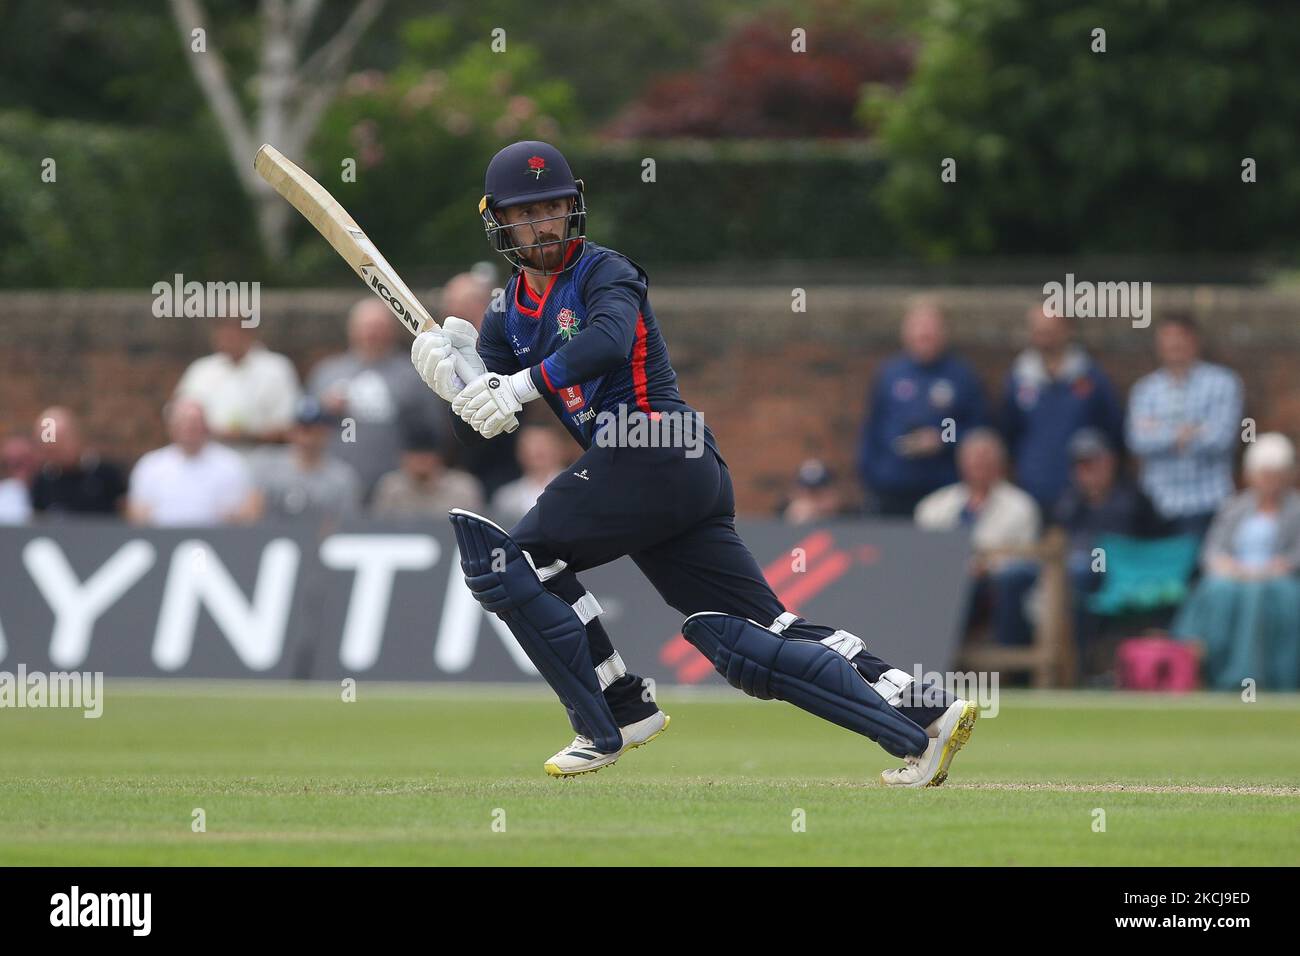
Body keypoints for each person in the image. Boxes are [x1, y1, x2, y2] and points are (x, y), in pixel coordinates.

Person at [408, 140, 977, 786]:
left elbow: (606, 341)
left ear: (574, 207)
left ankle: (618, 709)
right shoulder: (507, 312)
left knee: (512, 562)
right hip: (663, 479)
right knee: (760, 633)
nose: (543, 225)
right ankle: (926, 714)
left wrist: (512, 385)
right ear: (499, 223)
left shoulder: (604, 272)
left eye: (554, 208)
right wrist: (457, 384)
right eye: (526, 213)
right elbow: (489, 425)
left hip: (652, 449)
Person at [1172, 433, 1300, 690]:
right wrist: (1229, 567)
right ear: (1251, 475)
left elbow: (1296, 555)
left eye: (1275, 475)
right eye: (1264, 474)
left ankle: (1250, 676)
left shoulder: (1296, 510)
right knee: (1217, 590)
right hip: (1234, 575)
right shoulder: (1234, 507)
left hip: (1278, 579)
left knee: (1257, 595)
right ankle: (1206, 671)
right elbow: (1211, 552)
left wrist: (1271, 569)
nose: (1269, 482)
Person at [308, 298, 448, 500]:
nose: (371, 334)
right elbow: (303, 426)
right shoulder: (327, 373)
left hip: (397, 488)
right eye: (365, 327)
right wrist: (324, 409)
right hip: (337, 484)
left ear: (392, 331)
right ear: (351, 330)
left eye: (379, 327)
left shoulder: (414, 375)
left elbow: (434, 430)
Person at [858, 300, 987, 516]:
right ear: (906, 333)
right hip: (893, 486)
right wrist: (873, 474)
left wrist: (943, 439)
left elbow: (978, 430)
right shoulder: (891, 374)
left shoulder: (961, 376)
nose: (924, 336)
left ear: (944, 333)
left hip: (943, 487)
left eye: (931, 330)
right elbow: (874, 427)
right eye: (919, 329)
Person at [916, 429, 1041, 646]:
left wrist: (985, 567)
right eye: (974, 458)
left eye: (986, 458)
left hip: (993, 592)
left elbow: (1025, 561)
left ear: (1000, 463)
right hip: (943, 587)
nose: (980, 465)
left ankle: (1004, 665)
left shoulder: (1021, 507)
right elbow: (922, 555)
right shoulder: (933, 506)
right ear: (961, 462)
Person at [1127, 314, 1243, 539]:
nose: (1173, 345)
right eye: (1166, 339)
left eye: (1179, 338)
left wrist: (1159, 430)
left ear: (1195, 341)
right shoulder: (1144, 389)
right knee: (1163, 573)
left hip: (1208, 501)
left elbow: (1221, 439)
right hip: (1157, 503)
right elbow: (1136, 441)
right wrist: (1189, 431)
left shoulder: (1223, 383)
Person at [1000, 305, 1124, 513]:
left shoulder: (1093, 379)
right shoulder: (1017, 380)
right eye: (1038, 329)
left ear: (1068, 329)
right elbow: (1007, 434)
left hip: (1083, 497)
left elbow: (1112, 433)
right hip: (1031, 491)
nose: (1043, 335)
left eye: (1050, 328)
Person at [1052, 427, 1166, 652]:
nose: (1087, 471)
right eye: (1081, 465)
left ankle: (1081, 664)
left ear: (1110, 461)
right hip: (1074, 576)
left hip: (1125, 575)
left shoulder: (1133, 499)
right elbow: (1059, 540)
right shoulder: (1069, 503)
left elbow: (1152, 545)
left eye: (1093, 462)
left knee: (1081, 573)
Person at [439, 272, 522, 497]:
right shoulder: (442, 348)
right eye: (451, 304)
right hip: (456, 464)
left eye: (463, 303)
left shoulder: (509, 341)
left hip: (508, 461)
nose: (453, 310)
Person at [126, 399, 261, 527]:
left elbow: (252, 510)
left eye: (195, 423)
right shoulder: (150, 465)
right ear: (171, 427)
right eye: (183, 423)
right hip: (162, 542)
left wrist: (234, 517)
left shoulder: (232, 464)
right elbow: (136, 514)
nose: (189, 428)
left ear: (205, 426)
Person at [173, 316, 301, 450]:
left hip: (262, 456)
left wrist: (245, 436)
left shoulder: (276, 368)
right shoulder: (201, 370)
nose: (228, 335)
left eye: (235, 327)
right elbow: (177, 417)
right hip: (210, 459)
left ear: (251, 332)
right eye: (222, 327)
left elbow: (289, 425)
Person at [250, 397, 362, 525]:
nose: (308, 437)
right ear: (292, 430)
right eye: (304, 429)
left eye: (316, 430)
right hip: (271, 541)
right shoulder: (267, 463)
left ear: (326, 432)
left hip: (320, 542)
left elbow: (344, 526)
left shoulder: (342, 478)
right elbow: (252, 516)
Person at [370, 418, 485, 519]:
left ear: (439, 457)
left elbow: (475, 531)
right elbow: (378, 529)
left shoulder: (462, 488)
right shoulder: (391, 488)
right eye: (415, 455)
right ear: (403, 458)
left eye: (427, 455)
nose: (421, 460)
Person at [29, 407, 127, 517]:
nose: (53, 453)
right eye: (48, 449)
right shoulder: (43, 481)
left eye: (60, 445)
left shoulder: (107, 475)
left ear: (76, 437)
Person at [489, 424, 568, 528]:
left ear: (559, 448)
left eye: (543, 444)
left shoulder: (575, 485)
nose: (537, 451)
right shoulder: (506, 496)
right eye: (531, 444)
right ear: (519, 452)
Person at [780, 458, 853, 525]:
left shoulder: (853, 516)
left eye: (820, 492)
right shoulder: (781, 516)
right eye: (809, 492)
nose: (814, 498)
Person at [0, 434, 35, 524]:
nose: (15, 466)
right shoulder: (6, 493)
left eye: (24, 459)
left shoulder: (48, 487)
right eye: (10, 462)